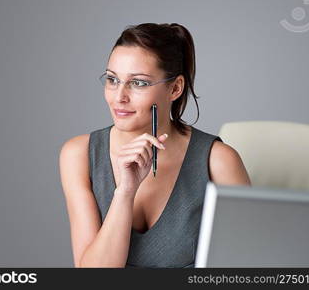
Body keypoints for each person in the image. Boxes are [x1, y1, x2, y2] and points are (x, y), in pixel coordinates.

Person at [59, 22, 251, 268]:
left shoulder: (219, 161)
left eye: (138, 83)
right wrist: (125, 192)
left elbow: (248, 268)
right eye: (112, 79)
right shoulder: (78, 155)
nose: (119, 97)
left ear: (175, 88)